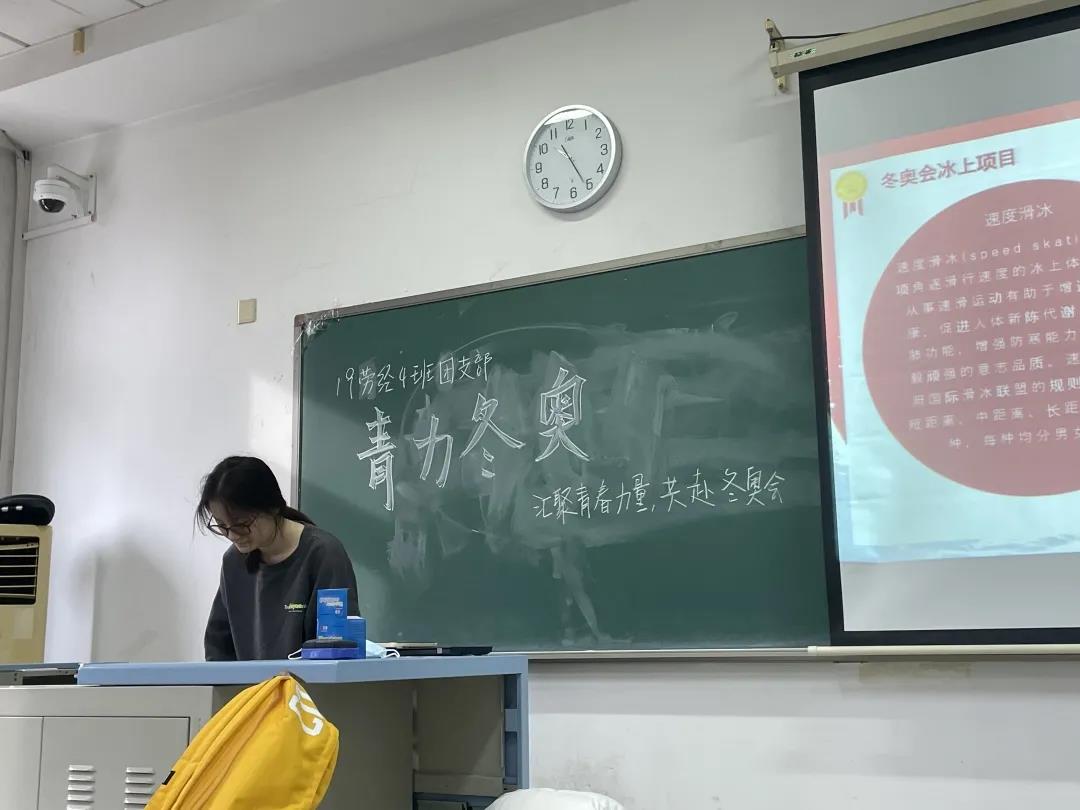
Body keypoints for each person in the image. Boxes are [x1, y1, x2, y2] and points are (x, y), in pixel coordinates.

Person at [198, 456, 359, 661]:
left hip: (309, 682)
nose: (232, 534)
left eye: (241, 523)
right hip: (252, 684)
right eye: (221, 525)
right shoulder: (234, 561)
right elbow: (218, 648)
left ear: (272, 507)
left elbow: (339, 648)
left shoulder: (323, 554)